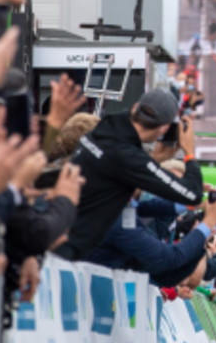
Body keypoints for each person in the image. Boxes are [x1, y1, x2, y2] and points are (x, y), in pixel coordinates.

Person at [62, 89, 206, 261]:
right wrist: (189, 151)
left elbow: (121, 172)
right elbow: (193, 193)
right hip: (71, 252)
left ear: (135, 108)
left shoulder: (106, 127)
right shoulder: (128, 156)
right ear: (164, 128)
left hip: (61, 232)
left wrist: (157, 158)